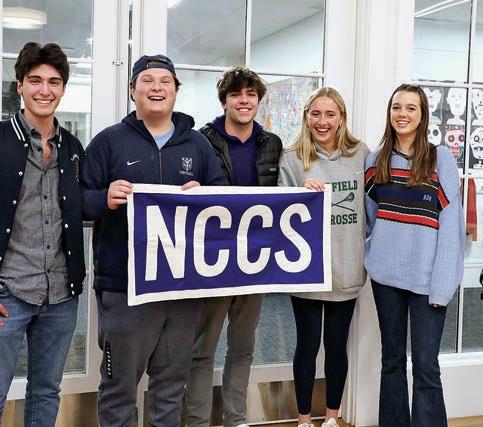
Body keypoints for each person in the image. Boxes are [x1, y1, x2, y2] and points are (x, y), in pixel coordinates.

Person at [80, 54, 228, 426]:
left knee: (171, 387)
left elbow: (223, 199)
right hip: (125, 287)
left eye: (165, 81)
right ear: (133, 90)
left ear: (176, 90)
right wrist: (104, 197)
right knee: (119, 389)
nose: (156, 88)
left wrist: (205, 196)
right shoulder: (108, 142)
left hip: (181, 286)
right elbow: (79, 200)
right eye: (147, 81)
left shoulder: (197, 144)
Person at [185, 66, 282, 427]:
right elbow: (187, 182)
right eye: (236, 95)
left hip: (254, 259)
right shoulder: (201, 140)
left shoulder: (271, 143)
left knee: (243, 347)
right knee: (202, 349)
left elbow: (282, 192)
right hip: (214, 258)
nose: (244, 101)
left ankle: (235, 418)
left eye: (251, 95)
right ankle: (197, 421)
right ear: (224, 100)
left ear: (258, 101)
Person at [364, 84, 465, 426]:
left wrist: (442, 287)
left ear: (423, 116)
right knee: (391, 361)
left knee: (426, 366)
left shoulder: (440, 159)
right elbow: (371, 219)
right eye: (397, 107)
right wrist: (373, 256)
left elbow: (450, 228)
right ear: (389, 112)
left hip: (427, 281)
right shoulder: (374, 160)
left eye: (411, 108)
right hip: (385, 279)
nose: (402, 114)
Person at [0, 42, 85, 426]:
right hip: (9, 292)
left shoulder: (73, 147)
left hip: (61, 295)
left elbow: (86, 203)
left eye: (54, 82)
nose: (44, 90)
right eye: (35, 80)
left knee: (46, 392)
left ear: (63, 88)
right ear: (20, 85)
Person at [277, 87, 368, 427]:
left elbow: (372, 208)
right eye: (315, 114)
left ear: (342, 118)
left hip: (347, 266)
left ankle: (331, 418)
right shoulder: (292, 158)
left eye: (330, 114)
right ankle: (304, 420)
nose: (322, 121)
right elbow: (277, 212)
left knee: (336, 345)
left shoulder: (361, 154)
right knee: (307, 345)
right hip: (307, 270)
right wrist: (299, 195)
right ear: (306, 117)